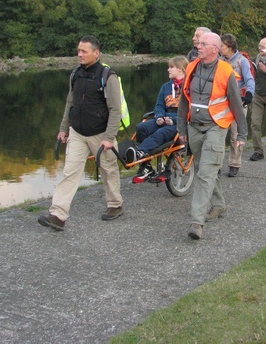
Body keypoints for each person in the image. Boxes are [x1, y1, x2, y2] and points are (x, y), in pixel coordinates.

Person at [38, 36, 123, 231]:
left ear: (96, 53)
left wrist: (109, 138)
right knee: (70, 172)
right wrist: (63, 128)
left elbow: (115, 110)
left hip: (100, 134)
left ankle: (115, 205)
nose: (79, 54)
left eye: (84, 51)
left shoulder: (108, 76)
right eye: (78, 51)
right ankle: (58, 215)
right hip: (77, 131)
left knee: (108, 170)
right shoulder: (75, 73)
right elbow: (70, 102)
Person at [177, 32, 247, 240]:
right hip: (194, 128)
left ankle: (196, 222)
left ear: (214, 49)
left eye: (203, 44)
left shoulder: (226, 71)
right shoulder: (191, 67)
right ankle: (218, 204)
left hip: (216, 127)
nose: (198, 46)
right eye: (198, 43)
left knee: (205, 173)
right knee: (203, 169)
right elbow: (184, 101)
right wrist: (181, 130)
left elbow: (236, 103)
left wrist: (242, 133)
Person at [127, 55, 188, 183]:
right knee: (141, 127)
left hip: (179, 121)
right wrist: (159, 116)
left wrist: (173, 119)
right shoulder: (165, 87)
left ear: (181, 69)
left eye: (172, 67)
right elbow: (159, 105)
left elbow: (190, 110)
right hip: (164, 116)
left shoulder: (189, 88)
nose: (168, 70)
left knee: (161, 133)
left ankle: (140, 152)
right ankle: (146, 166)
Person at [219, 33, 255, 177]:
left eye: (222, 46)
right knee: (220, 134)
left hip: (238, 101)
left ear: (230, 47)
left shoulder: (242, 61)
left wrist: (249, 94)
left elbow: (249, 80)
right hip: (222, 102)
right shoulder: (220, 60)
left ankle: (234, 164)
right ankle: (217, 164)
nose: (219, 48)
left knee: (235, 134)